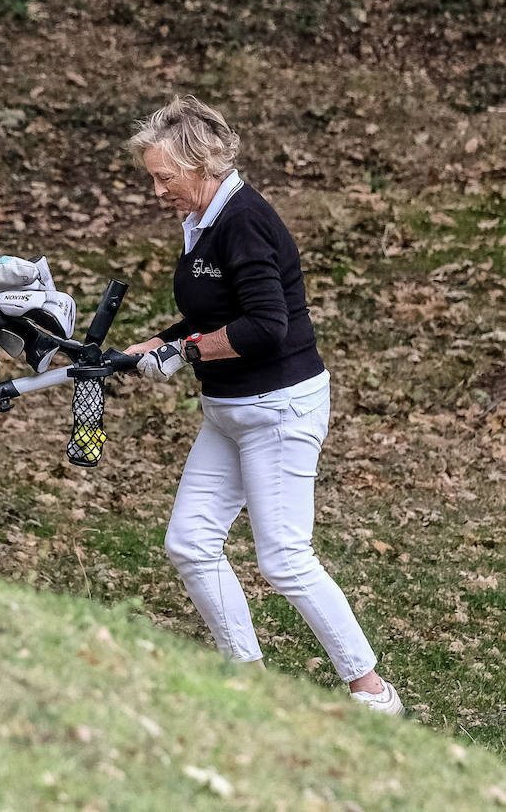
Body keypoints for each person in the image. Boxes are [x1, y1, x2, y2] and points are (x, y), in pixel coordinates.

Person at [121, 96, 402, 715]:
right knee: (191, 542)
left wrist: (187, 353)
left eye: (164, 178)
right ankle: (248, 681)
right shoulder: (202, 219)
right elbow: (215, 314)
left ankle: (372, 692)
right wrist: (166, 341)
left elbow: (267, 326)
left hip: (278, 408)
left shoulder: (244, 219)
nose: (158, 190)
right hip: (227, 411)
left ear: (201, 166)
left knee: (283, 557)